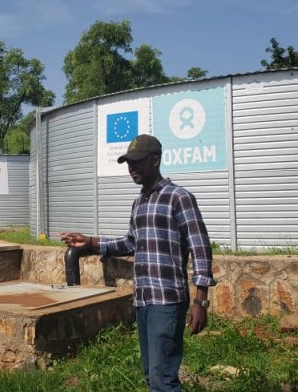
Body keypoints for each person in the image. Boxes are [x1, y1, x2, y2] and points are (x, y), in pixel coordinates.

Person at [60, 134, 216, 392]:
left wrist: (200, 300)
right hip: (142, 300)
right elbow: (131, 243)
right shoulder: (139, 202)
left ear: (155, 160)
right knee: (150, 373)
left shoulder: (178, 197)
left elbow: (200, 248)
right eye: (128, 164)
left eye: (137, 163)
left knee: (162, 377)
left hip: (167, 301)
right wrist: (90, 241)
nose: (131, 169)